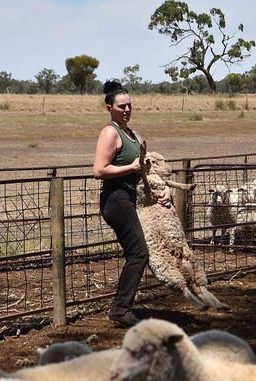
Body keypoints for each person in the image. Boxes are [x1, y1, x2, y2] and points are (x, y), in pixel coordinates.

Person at [93, 80, 170, 328]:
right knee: (139, 253)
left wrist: (163, 189)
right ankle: (120, 309)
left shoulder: (134, 135)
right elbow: (99, 170)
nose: (126, 110)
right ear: (109, 108)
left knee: (137, 252)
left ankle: (122, 306)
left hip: (131, 197)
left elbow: (147, 169)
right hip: (115, 200)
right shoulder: (110, 133)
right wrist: (131, 167)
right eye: (121, 106)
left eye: (129, 106)